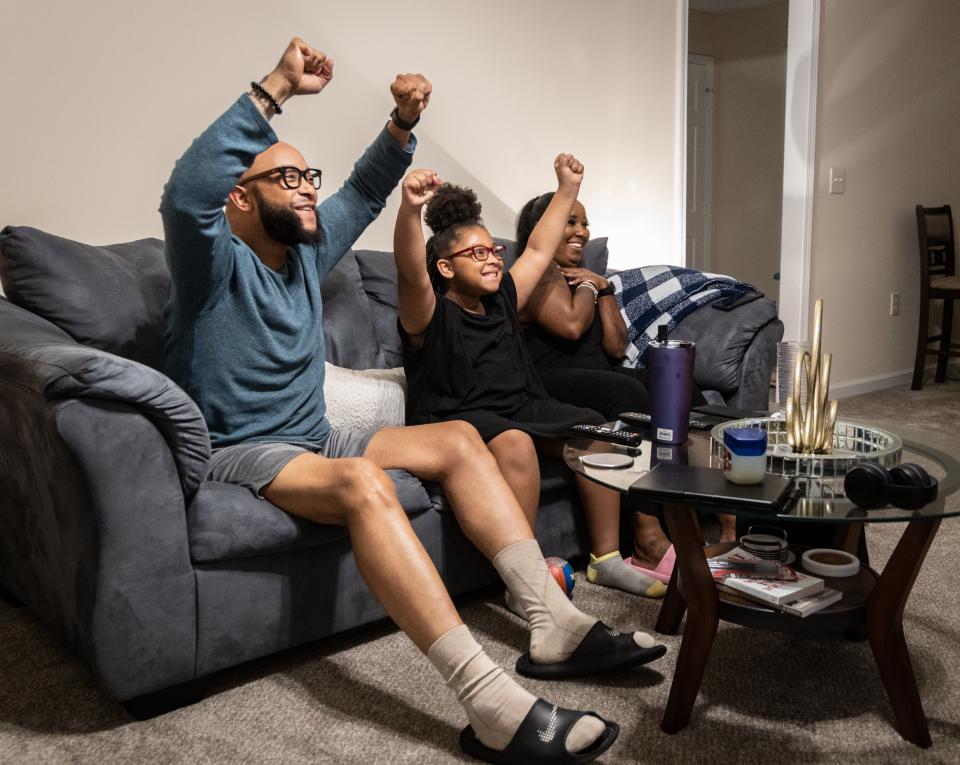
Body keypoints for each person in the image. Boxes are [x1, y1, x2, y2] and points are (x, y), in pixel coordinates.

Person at [161, 37, 665, 764]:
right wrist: (278, 86)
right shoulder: (209, 259)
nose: (307, 188)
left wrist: (399, 124)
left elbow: (365, 190)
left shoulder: (304, 251)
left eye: (309, 175)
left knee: (460, 437)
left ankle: (550, 621)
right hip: (246, 448)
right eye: (286, 177)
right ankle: (487, 701)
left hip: (315, 434)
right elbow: (185, 188)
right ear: (239, 198)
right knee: (369, 484)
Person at [392, 161, 669, 609]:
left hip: (520, 405)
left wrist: (568, 188)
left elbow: (540, 248)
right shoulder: (428, 313)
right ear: (444, 268)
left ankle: (606, 558)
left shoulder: (501, 296)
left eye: (494, 251)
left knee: (598, 432)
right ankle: (522, 582)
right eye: (477, 253)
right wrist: (409, 211)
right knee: (516, 443)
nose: (492, 259)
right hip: (456, 416)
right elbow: (409, 270)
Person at [514, 195, 729, 582]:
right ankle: (646, 536)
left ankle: (707, 520)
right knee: (629, 397)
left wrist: (606, 289)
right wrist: (590, 287)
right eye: (570, 221)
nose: (581, 232)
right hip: (548, 382)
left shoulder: (589, 281)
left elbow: (615, 346)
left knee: (679, 390)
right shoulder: (533, 274)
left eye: (584, 222)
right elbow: (572, 327)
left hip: (598, 376)